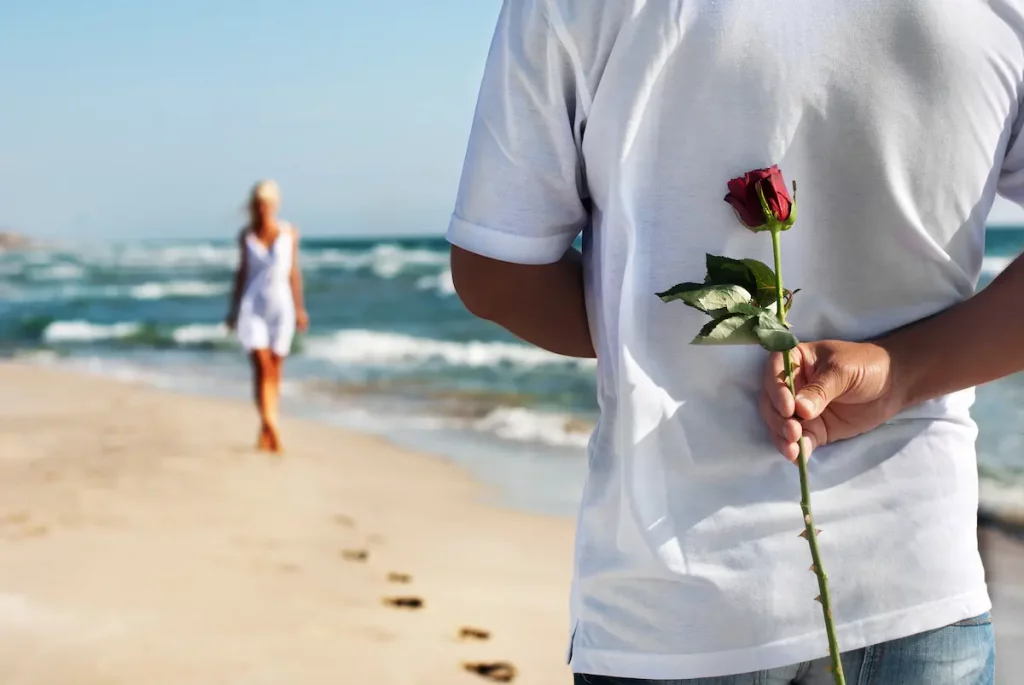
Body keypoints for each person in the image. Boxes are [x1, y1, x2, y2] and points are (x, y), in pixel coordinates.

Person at [447, 2, 1024, 683]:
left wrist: (658, 328)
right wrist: (899, 371)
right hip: (914, 570)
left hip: (674, 594)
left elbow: (496, 271)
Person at [226, 180, 309, 453]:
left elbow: (293, 272)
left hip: (281, 307)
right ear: (253, 206)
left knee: (275, 369)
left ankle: (266, 426)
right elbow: (241, 274)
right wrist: (233, 309)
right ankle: (271, 425)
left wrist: (299, 308)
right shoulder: (246, 235)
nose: (263, 209)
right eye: (258, 204)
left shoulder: (289, 233)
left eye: (267, 203)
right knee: (262, 367)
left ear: (275, 205)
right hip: (253, 308)